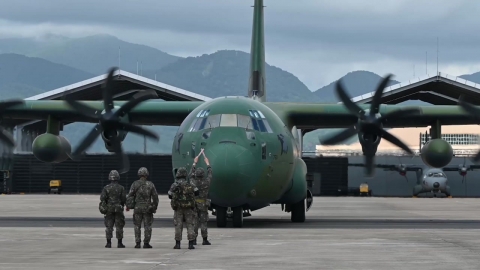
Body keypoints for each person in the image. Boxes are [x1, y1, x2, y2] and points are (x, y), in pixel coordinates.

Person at [126, 167, 159, 249]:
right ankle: (146, 243)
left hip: (137, 208)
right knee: (147, 226)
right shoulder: (150, 184)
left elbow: (130, 195)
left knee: (137, 225)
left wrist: (129, 205)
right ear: (147, 175)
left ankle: (137, 243)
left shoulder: (135, 184)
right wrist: (154, 207)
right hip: (147, 208)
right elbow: (155, 197)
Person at [168, 167, 199, 249]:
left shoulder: (174, 185)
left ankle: (178, 244)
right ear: (185, 175)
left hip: (178, 208)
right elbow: (197, 192)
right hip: (189, 208)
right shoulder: (190, 184)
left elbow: (170, 195)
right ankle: (191, 244)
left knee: (178, 225)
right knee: (190, 225)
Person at [190, 149, 212, 245]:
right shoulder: (206, 182)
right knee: (203, 222)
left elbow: (190, 175)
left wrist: (194, 163)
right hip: (203, 204)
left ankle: (194, 240)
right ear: (203, 175)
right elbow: (210, 174)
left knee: (194, 222)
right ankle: (205, 239)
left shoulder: (193, 182)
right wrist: (208, 164)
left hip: (194, 204)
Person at [99, 170, 126, 248]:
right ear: (118, 177)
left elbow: (102, 198)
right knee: (119, 226)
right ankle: (119, 243)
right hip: (118, 209)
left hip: (109, 209)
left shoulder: (106, 188)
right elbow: (124, 199)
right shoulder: (121, 188)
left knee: (109, 226)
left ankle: (108, 243)